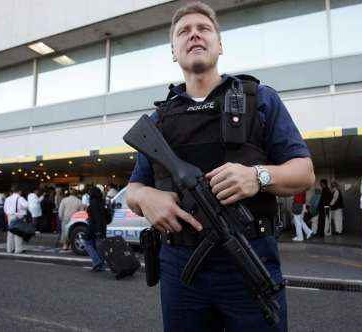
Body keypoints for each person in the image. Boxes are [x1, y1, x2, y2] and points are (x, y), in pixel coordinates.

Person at [126, 2, 315, 331]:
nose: (194, 34)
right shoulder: (160, 120)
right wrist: (145, 199)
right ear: (174, 51)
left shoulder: (260, 99)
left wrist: (258, 177)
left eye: (204, 28)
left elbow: (304, 173)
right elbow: (134, 188)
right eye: (184, 31)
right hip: (181, 268)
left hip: (249, 259)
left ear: (220, 44)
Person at [82, 187, 107, 271]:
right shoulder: (101, 201)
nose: (88, 194)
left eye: (89, 192)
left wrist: (98, 230)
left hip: (94, 227)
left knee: (86, 242)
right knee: (97, 247)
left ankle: (97, 262)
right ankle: (99, 265)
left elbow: (97, 217)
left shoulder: (93, 202)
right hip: (101, 227)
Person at [4, 187, 28, 254]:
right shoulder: (20, 198)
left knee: (10, 233)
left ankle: (9, 249)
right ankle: (18, 250)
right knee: (18, 234)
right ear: (19, 191)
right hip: (18, 217)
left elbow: (5, 209)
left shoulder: (7, 199)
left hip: (10, 216)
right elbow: (26, 205)